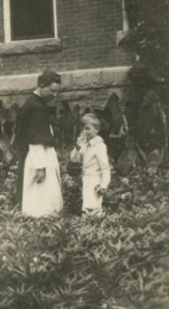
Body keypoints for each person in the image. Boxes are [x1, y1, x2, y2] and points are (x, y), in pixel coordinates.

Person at [14, 70, 63, 217]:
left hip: (35, 155)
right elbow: (36, 139)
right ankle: (42, 217)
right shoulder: (37, 107)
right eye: (52, 90)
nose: (54, 95)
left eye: (57, 92)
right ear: (42, 86)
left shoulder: (32, 102)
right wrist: (40, 167)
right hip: (39, 156)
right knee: (42, 190)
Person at [70, 113, 111, 216]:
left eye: (88, 129)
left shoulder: (99, 146)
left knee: (94, 207)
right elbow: (74, 159)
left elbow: (105, 167)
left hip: (95, 179)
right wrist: (78, 147)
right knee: (86, 206)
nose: (84, 132)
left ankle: (95, 221)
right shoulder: (84, 144)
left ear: (96, 129)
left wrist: (104, 185)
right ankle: (87, 223)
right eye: (83, 128)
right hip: (86, 179)